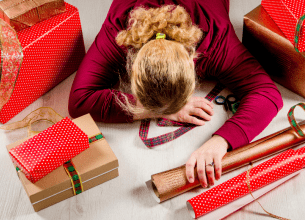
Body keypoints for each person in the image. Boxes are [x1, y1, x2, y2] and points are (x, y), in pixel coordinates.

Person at [68, 0, 283, 188]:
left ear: (192, 62)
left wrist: (221, 142)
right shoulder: (119, 32)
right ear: (132, 65)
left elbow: (266, 93)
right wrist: (158, 109)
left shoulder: (217, 40)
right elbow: (80, 100)